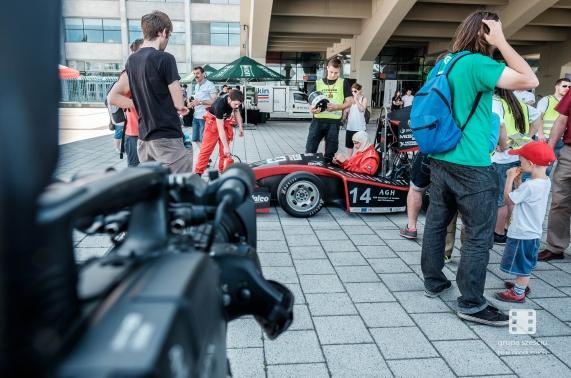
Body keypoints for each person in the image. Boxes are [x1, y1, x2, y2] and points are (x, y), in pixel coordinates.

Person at [420, 11, 538, 327]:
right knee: (477, 236)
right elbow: (529, 79)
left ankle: (433, 280)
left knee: (436, 222)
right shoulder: (477, 63)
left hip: (441, 157)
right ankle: (471, 303)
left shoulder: (447, 62)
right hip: (472, 164)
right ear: (486, 32)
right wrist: (501, 41)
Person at [112, 11, 192, 173]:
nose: (167, 40)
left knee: (155, 190)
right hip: (167, 138)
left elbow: (113, 97)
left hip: (144, 140)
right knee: (178, 189)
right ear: (163, 32)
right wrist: (183, 107)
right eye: (168, 35)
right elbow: (178, 103)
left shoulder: (132, 60)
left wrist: (143, 103)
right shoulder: (165, 58)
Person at [496, 142, 554, 302]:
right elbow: (524, 197)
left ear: (531, 163)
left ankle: (518, 292)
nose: (519, 163)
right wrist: (517, 182)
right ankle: (519, 285)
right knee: (523, 261)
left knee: (522, 264)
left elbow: (509, 200)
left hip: (523, 233)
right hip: (532, 232)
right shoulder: (545, 181)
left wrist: (509, 179)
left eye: (521, 160)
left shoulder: (530, 186)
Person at [492, 88, 541, 245]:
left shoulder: (495, 102)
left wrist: (504, 144)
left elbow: (501, 126)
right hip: (519, 154)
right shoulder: (518, 103)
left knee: (501, 197)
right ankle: (508, 227)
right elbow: (538, 117)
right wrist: (525, 137)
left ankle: (498, 233)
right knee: (513, 194)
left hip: (501, 157)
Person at [539, 89, 571, 262]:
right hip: (569, 153)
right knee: (559, 201)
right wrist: (549, 149)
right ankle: (555, 247)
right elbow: (562, 120)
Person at [306, 57, 352, 163]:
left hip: (333, 122)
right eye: (331, 72)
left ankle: (327, 170)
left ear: (339, 70)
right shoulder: (318, 83)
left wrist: (337, 107)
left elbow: (350, 101)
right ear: (327, 68)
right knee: (310, 148)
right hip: (318, 121)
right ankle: (308, 171)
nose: (333, 75)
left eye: (336, 73)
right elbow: (310, 101)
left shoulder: (343, 82)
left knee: (330, 152)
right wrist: (312, 109)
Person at [108, 39, 144, 167]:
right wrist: (145, 103)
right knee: (135, 171)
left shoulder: (144, 72)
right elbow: (113, 97)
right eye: (143, 50)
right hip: (134, 133)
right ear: (135, 54)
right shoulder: (129, 73)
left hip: (149, 134)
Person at [193, 90, 244, 175]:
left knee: (224, 153)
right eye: (235, 104)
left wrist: (241, 127)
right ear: (229, 100)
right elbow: (220, 130)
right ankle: (198, 173)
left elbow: (236, 112)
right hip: (212, 122)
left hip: (224, 121)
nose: (237, 106)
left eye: (238, 104)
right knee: (206, 150)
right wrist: (226, 147)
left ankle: (224, 172)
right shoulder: (219, 105)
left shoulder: (236, 99)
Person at [189, 66, 217, 166]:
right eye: (194, 74)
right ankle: (206, 158)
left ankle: (204, 159)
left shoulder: (210, 85)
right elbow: (196, 101)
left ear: (203, 74)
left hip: (205, 117)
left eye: (197, 73)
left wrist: (200, 102)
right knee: (195, 139)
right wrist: (192, 104)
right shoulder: (196, 86)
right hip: (196, 115)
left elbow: (214, 101)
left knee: (203, 140)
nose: (195, 76)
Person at [536, 78, 570, 159]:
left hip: (561, 140)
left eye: (569, 87)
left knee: (555, 165)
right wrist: (540, 134)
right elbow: (538, 118)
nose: (567, 88)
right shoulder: (546, 100)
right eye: (564, 86)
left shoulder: (568, 103)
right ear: (556, 87)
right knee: (542, 163)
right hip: (545, 138)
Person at [345, 83, 368, 154]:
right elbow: (346, 111)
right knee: (349, 146)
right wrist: (349, 103)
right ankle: (349, 162)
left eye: (355, 91)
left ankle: (358, 162)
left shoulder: (364, 99)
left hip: (360, 127)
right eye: (352, 91)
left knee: (360, 147)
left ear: (360, 90)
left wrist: (356, 100)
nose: (353, 93)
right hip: (350, 127)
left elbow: (362, 109)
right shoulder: (350, 99)